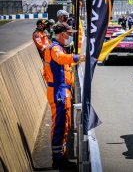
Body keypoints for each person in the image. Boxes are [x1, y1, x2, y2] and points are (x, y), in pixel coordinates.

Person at [43, 23, 85, 170]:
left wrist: (74, 62)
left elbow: (64, 68)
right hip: (58, 92)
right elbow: (60, 59)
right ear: (61, 34)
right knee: (60, 125)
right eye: (68, 34)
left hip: (62, 91)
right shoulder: (54, 48)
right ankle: (57, 159)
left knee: (65, 124)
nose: (70, 36)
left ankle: (62, 156)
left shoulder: (59, 47)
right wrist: (76, 57)